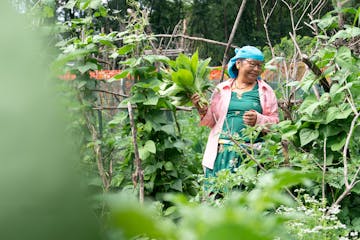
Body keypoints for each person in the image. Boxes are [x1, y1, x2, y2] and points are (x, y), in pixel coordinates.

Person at [192, 46, 279, 180]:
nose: (256, 69)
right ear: (238, 64)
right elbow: (212, 121)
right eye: (252, 64)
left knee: (246, 196)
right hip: (221, 153)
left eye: (259, 66)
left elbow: (275, 123)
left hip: (251, 156)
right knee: (217, 196)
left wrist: (258, 119)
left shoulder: (265, 91)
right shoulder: (222, 89)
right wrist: (202, 109)